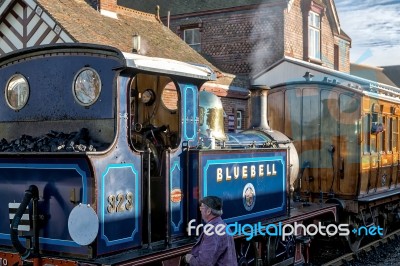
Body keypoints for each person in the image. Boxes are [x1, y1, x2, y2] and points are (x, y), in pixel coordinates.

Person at [183, 196, 237, 266]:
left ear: (208, 211)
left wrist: (189, 258)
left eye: (201, 208)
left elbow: (203, 264)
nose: (200, 210)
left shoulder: (212, 232)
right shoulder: (224, 226)